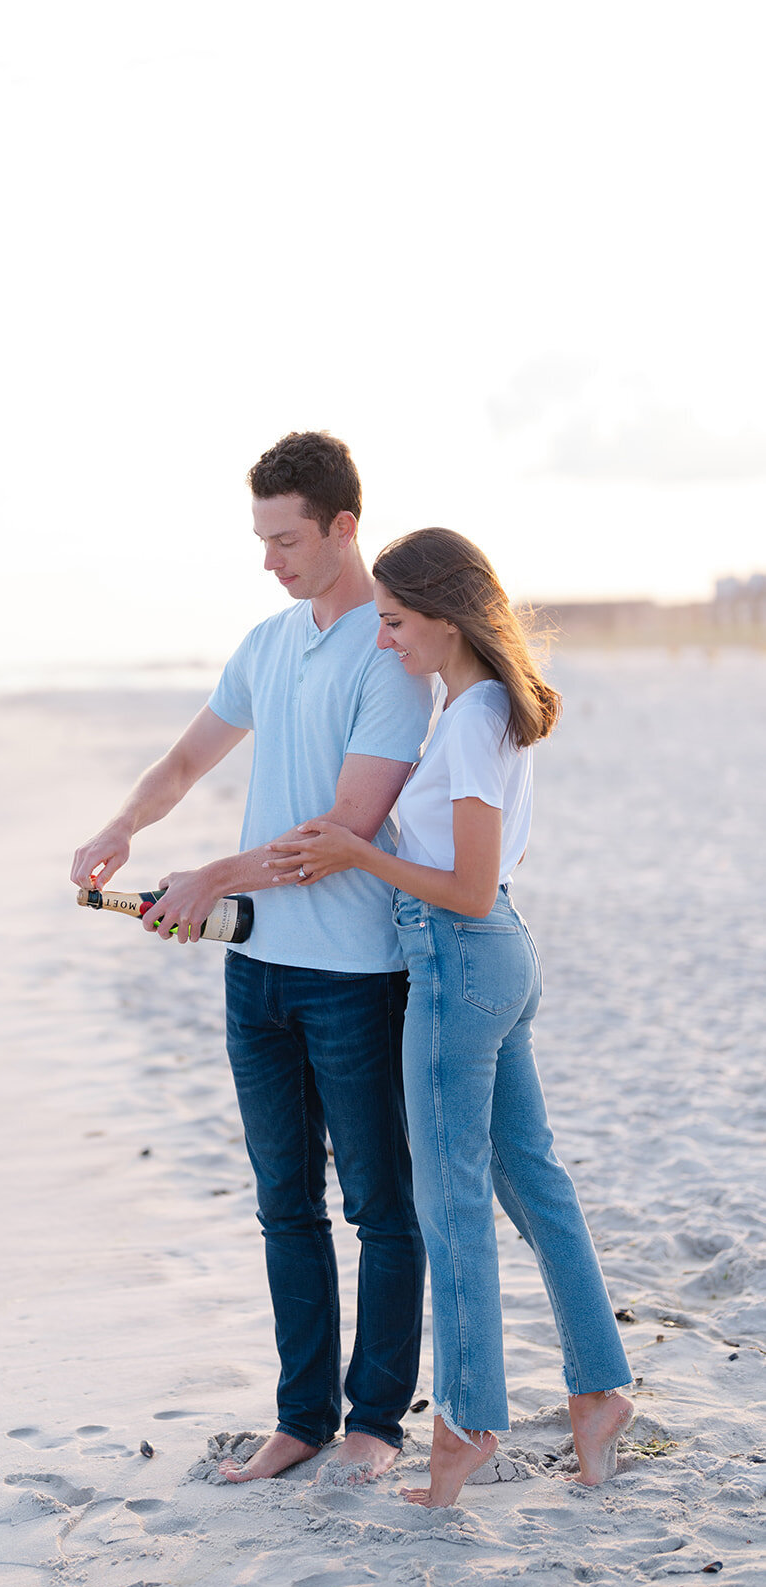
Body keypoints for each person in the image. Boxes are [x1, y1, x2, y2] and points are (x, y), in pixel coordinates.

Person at [70, 432, 436, 1484]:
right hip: (255, 968)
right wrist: (124, 828)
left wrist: (211, 876)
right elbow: (189, 755)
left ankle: (373, 1421)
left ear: (341, 527)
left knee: (377, 1204)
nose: (268, 559)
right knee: (283, 1201)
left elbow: (345, 824)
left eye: (284, 539)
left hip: (357, 975)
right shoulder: (268, 642)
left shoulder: (393, 653)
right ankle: (301, 1415)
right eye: (260, 538)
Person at [265, 527, 634, 1506]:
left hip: (458, 959)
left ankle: (465, 1426)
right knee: (532, 1185)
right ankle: (597, 1391)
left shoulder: (470, 722)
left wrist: (358, 852)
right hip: (492, 960)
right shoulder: (478, 710)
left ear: (441, 616)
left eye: (391, 621)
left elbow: (465, 887)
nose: (383, 641)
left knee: (451, 1204)